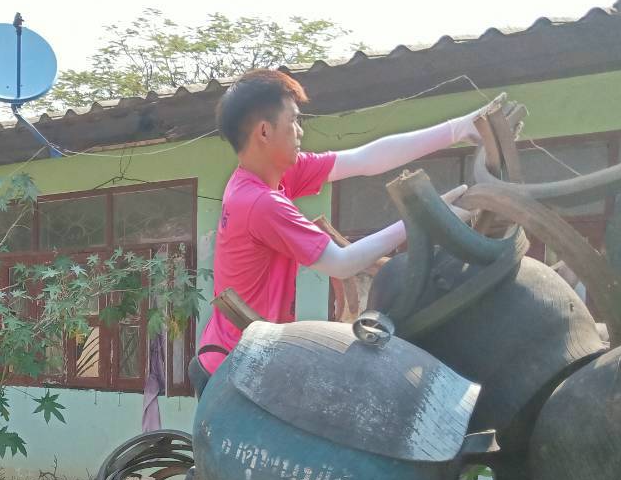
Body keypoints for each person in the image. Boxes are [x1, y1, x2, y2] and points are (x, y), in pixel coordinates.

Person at [191, 69, 503, 395]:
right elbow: (340, 263)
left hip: (241, 352)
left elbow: (365, 159)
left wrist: (459, 129)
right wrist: (424, 216)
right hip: (232, 369)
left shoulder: (273, 175)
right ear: (265, 132)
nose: (300, 132)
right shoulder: (258, 202)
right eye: (294, 121)